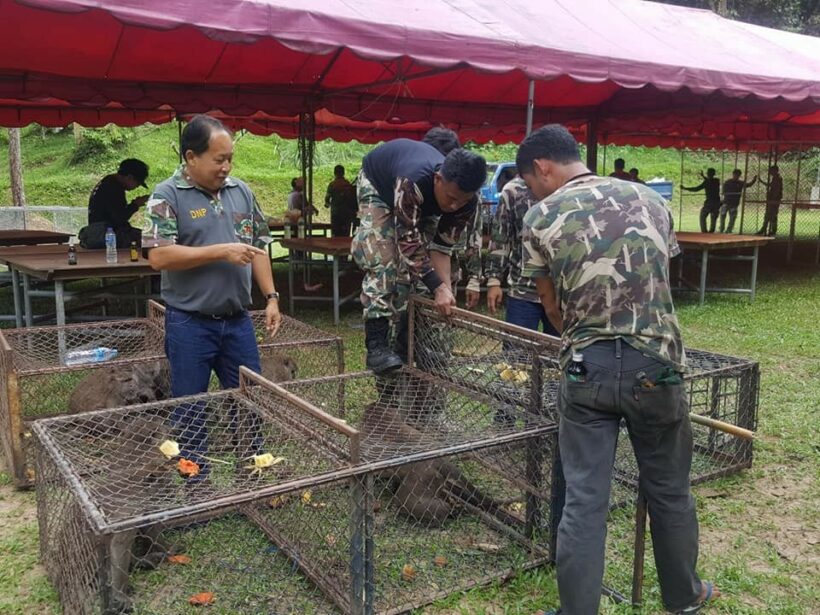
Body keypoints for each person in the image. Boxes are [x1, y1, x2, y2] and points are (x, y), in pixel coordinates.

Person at [518, 124, 718, 615]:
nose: (532, 189)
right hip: (657, 366)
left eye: (530, 180)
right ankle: (684, 596)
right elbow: (657, 279)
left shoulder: (539, 216)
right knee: (670, 487)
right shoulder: (650, 200)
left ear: (543, 168)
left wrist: (585, 334)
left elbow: (550, 305)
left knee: (585, 499)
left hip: (588, 370)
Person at [146, 115, 282, 480]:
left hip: (237, 321)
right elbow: (159, 256)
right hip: (190, 323)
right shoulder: (167, 195)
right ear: (192, 157)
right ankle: (197, 484)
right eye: (218, 159)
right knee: (190, 407)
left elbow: (259, 247)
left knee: (249, 400)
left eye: (230, 159)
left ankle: (254, 476)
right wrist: (219, 251)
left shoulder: (242, 192)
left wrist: (270, 296)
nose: (226, 167)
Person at [350, 138, 486, 373]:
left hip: (416, 198)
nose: (454, 207)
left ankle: (411, 338)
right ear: (438, 179)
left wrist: (445, 291)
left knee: (419, 273)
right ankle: (377, 344)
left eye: (462, 201)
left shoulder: (467, 203)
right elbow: (408, 243)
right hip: (377, 184)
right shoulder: (411, 182)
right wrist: (438, 287)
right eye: (451, 198)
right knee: (385, 257)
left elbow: (441, 249)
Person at [485, 174, 559, 336]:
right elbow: (501, 237)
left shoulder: (564, 185)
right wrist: (494, 280)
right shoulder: (513, 190)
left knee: (557, 355)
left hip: (560, 291)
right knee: (517, 355)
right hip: (523, 289)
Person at [420, 127, 483, 310]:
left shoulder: (466, 193)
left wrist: (474, 278)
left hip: (445, 272)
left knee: (438, 328)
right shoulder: (414, 189)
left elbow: (474, 234)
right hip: (411, 276)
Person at [85, 158, 149, 247]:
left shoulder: (109, 181)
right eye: (137, 184)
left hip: (98, 230)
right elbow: (120, 218)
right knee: (149, 241)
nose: (136, 187)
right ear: (129, 177)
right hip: (105, 233)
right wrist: (135, 205)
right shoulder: (113, 188)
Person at [682, 168, 721, 233]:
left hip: (709, 202)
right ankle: (711, 232)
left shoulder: (707, 182)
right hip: (717, 202)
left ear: (707, 174)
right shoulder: (717, 181)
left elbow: (696, 189)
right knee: (713, 218)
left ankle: (704, 232)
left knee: (703, 216)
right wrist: (703, 176)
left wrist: (685, 188)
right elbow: (710, 181)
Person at [324, 165, 358, 236]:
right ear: (343, 173)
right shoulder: (347, 185)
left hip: (335, 213)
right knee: (345, 235)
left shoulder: (332, 185)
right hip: (346, 213)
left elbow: (327, 198)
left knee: (335, 234)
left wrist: (328, 203)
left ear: (334, 173)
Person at [756, 165, 783, 236]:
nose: (770, 172)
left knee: (772, 215)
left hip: (774, 200)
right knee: (768, 215)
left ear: (775, 171)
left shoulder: (778, 178)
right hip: (772, 199)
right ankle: (765, 229)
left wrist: (773, 198)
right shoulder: (775, 178)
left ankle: (772, 230)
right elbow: (771, 185)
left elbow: (777, 189)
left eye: (771, 171)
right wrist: (762, 181)